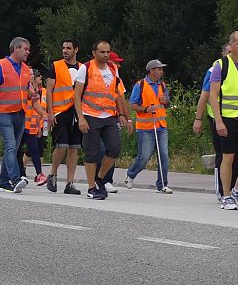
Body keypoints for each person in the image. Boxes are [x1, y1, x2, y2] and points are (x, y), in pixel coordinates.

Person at [74, 41, 131, 200]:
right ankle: (92, 188)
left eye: (108, 52)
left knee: (114, 148)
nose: (106, 55)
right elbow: (76, 96)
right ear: (94, 53)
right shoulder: (86, 68)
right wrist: (81, 118)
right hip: (90, 115)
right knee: (91, 153)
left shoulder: (113, 69)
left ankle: (100, 177)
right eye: (102, 52)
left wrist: (122, 114)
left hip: (109, 116)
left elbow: (117, 94)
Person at [0, 38, 37, 193]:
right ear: (15, 49)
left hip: (20, 112)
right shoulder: (0, 66)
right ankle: (15, 179)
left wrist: (32, 95)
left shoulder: (25, 69)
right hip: (4, 112)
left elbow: (26, 89)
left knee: (12, 148)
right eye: (25, 49)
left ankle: (3, 182)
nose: (28, 52)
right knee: (11, 146)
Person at [209, 31, 238, 210]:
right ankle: (226, 196)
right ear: (231, 45)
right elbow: (213, 95)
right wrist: (218, 121)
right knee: (228, 156)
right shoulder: (221, 65)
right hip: (228, 117)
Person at [194, 43, 238, 203]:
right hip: (217, 118)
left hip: (237, 118)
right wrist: (198, 119)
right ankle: (222, 191)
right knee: (223, 155)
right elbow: (204, 96)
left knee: (237, 155)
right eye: (228, 52)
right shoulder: (215, 70)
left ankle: (233, 189)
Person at [125, 59, 172, 193]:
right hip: (145, 128)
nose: (162, 71)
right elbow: (133, 104)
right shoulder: (140, 85)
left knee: (164, 155)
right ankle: (131, 174)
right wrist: (145, 109)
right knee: (144, 156)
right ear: (152, 71)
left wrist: (166, 101)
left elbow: (167, 104)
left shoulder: (162, 85)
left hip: (161, 126)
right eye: (159, 69)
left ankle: (162, 184)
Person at [45, 39, 82, 195]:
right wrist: (50, 112)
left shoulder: (82, 68)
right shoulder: (56, 66)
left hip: (77, 111)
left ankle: (70, 183)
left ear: (76, 50)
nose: (65, 50)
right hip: (60, 111)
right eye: (63, 48)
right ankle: (52, 174)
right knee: (61, 145)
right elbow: (49, 91)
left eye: (68, 48)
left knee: (74, 148)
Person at [17, 69, 47, 185]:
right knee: (18, 150)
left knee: (35, 150)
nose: (29, 76)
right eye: (28, 74)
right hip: (20, 124)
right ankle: (21, 174)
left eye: (31, 74)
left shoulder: (35, 91)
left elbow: (37, 108)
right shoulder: (21, 88)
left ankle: (39, 174)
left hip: (32, 126)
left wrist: (41, 123)